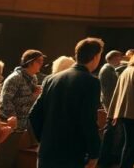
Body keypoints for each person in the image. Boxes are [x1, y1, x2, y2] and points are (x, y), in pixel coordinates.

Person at [29, 37, 104, 168]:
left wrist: (45, 139)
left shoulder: (51, 79)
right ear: (96, 56)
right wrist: (94, 153)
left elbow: (34, 114)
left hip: (47, 150)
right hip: (71, 153)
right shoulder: (91, 82)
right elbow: (88, 120)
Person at [0, 50, 46, 168]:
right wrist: (15, 124)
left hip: (25, 125)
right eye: (39, 61)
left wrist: (36, 95)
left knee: (17, 159)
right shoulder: (15, 78)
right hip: (12, 127)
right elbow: (5, 102)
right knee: (4, 159)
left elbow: (29, 100)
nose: (42, 64)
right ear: (31, 62)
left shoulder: (33, 78)